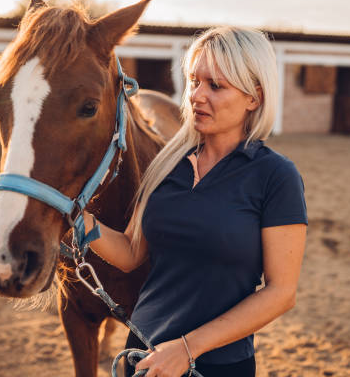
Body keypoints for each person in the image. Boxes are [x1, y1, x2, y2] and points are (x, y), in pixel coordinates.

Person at [84, 26, 308, 377]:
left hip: (217, 366)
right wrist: (75, 220)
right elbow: (130, 253)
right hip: (141, 356)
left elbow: (281, 293)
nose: (196, 96)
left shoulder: (275, 176)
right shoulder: (166, 164)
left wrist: (188, 348)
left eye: (215, 86)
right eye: (193, 81)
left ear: (254, 96)